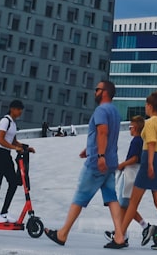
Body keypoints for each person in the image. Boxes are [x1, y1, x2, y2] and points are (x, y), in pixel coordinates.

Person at [45, 80, 126, 248]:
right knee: (112, 198)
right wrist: (88, 149)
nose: (94, 92)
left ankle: (62, 234)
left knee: (80, 196)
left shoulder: (101, 110)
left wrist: (99, 155)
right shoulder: (115, 112)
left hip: (98, 163)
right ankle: (119, 236)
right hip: (111, 162)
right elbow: (108, 136)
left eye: (97, 89)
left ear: (104, 92)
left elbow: (103, 132)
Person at [113, 91, 157, 250]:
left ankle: (120, 236)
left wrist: (150, 165)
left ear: (149, 106)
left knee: (132, 202)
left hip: (150, 161)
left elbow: (151, 143)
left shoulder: (149, 123)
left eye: (146, 105)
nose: (145, 108)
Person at [108, 115, 155, 246]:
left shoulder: (136, 140)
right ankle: (122, 232)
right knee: (124, 204)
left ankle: (144, 226)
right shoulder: (141, 140)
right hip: (135, 173)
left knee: (126, 204)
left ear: (135, 128)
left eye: (130, 127)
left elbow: (134, 158)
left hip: (131, 173)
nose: (129, 129)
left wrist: (122, 164)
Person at [0, 99, 35, 222]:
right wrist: (15, 148)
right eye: (18, 109)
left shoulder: (13, 124)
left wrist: (25, 148)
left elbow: (13, 141)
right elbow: (0, 140)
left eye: (21, 110)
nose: (20, 112)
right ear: (12, 109)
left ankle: (4, 212)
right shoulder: (5, 121)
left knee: (13, 183)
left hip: (6, 155)